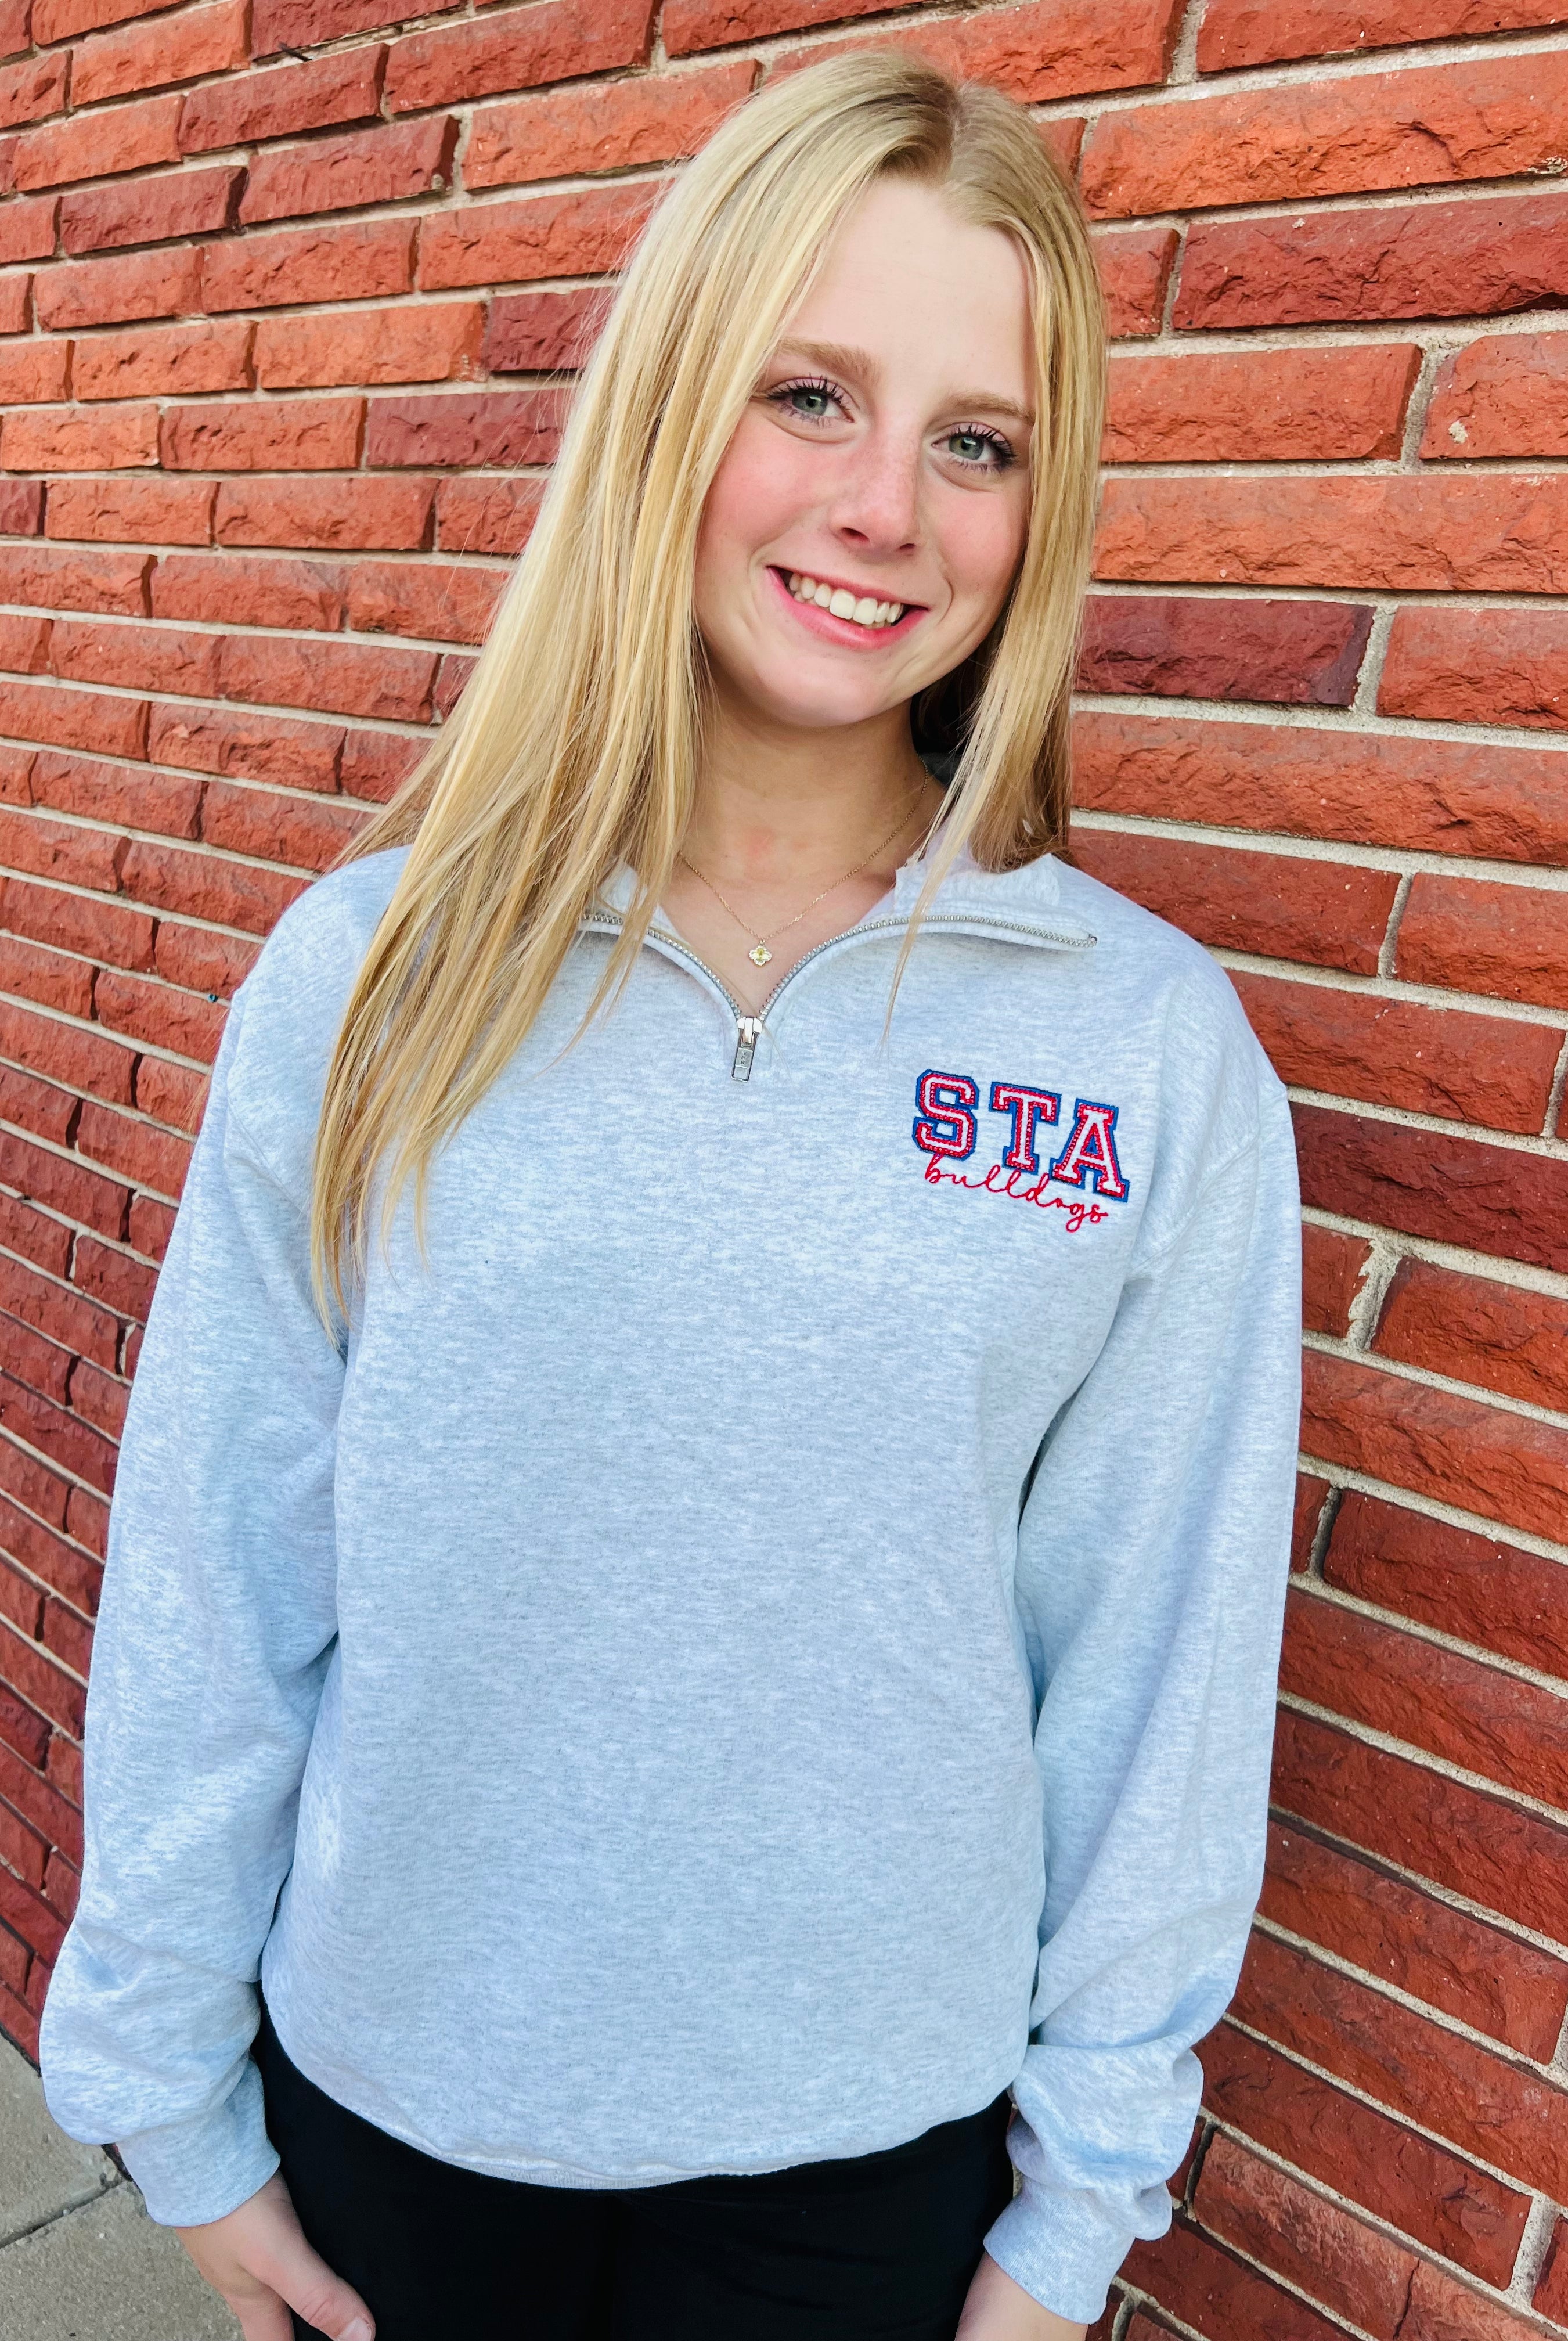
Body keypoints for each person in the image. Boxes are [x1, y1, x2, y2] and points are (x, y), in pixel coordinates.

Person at [37, 51, 1302, 2341]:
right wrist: (167, 2097)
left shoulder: (1141, 1049)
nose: (885, 508)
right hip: (401, 2114)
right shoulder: (377, 973)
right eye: (809, 395)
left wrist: (1076, 2216)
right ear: (666, 409)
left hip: (863, 2171)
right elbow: (225, 1563)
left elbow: (1160, 1670)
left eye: (979, 441)